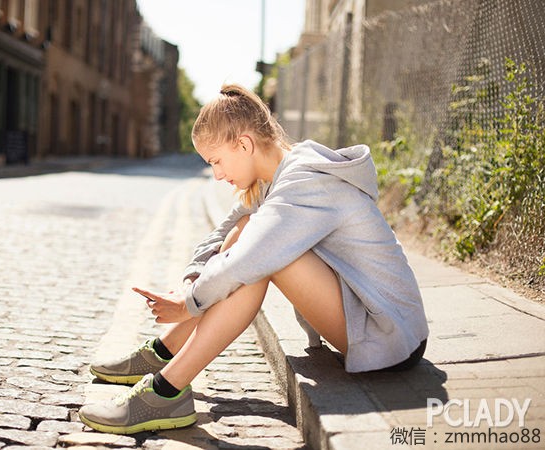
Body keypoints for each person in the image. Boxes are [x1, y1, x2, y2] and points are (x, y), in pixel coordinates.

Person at [78, 84, 429, 434]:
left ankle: (164, 392)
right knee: (247, 231)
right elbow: (222, 233)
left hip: (389, 334)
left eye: (216, 161)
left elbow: (246, 261)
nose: (216, 174)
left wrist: (190, 304)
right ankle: (165, 350)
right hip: (363, 317)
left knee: (257, 262)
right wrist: (191, 282)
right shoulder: (270, 180)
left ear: (244, 144)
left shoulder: (306, 180)